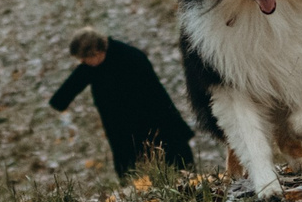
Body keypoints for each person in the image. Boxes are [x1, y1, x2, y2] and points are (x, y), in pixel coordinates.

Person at [47, 28, 195, 175]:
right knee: (133, 176)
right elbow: (67, 91)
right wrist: (58, 102)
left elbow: (156, 97)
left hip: (153, 122)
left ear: (96, 52)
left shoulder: (131, 57)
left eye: (84, 59)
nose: (82, 63)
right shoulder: (92, 66)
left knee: (177, 167)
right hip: (122, 131)